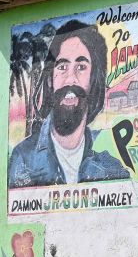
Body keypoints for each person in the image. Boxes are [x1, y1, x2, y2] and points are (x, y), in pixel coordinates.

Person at [8, 19, 130, 188]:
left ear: (94, 80)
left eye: (81, 67)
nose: (70, 79)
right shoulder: (23, 159)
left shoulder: (112, 170)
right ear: (50, 79)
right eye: (62, 66)